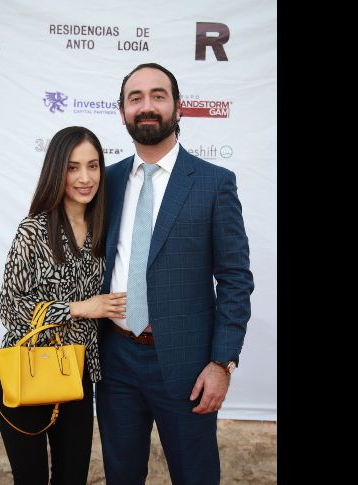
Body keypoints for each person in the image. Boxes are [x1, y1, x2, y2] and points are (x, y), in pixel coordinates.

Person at [96, 63, 255, 485]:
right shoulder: (103, 182)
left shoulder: (213, 183)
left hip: (188, 368)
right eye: (136, 98)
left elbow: (236, 278)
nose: (147, 106)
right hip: (115, 361)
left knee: (196, 476)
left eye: (158, 96)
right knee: (121, 476)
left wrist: (222, 362)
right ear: (122, 111)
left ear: (178, 107)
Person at [0, 126, 127, 485]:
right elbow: (10, 306)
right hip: (26, 375)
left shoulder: (105, 231)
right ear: (57, 171)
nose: (85, 177)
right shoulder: (34, 230)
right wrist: (80, 308)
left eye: (93, 165)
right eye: (72, 167)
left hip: (76, 378)